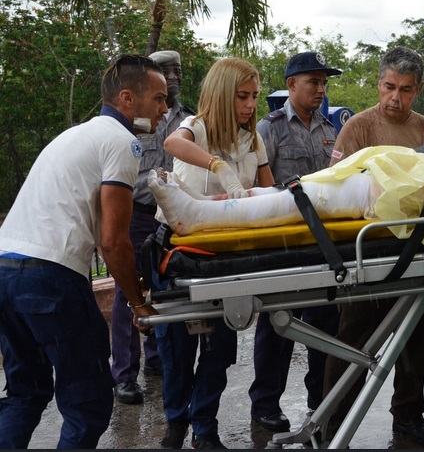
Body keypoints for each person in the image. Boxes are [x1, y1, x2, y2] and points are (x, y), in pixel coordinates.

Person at [0, 54, 166, 448]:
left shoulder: (74, 134)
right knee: (88, 399)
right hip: (49, 276)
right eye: (158, 98)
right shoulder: (122, 142)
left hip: (5, 268)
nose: (165, 108)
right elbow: (113, 240)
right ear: (127, 98)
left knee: (26, 392)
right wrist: (139, 303)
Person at [322, 45, 424, 447]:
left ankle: (408, 416)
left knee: (416, 337)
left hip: (422, 249)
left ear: (418, 89)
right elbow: (333, 190)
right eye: (389, 86)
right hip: (367, 251)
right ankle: (332, 421)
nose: (395, 97)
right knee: (351, 339)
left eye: (406, 90)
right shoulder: (358, 127)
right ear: (378, 83)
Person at [155, 57, 275, 450]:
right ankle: (175, 425)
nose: (250, 105)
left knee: (221, 349)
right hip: (178, 251)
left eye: (255, 97)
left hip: (226, 255)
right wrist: (217, 164)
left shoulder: (253, 138)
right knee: (176, 349)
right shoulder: (197, 127)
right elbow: (172, 143)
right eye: (242, 96)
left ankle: (204, 427)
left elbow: (267, 191)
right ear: (223, 94)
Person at [249, 51, 343, 432]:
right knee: (278, 324)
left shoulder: (330, 128)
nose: (321, 89)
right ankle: (266, 403)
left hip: (323, 243)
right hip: (284, 241)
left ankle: (319, 402)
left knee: (323, 325)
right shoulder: (269, 128)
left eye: (323, 83)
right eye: (313, 82)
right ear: (291, 85)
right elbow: (260, 186)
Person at [110, 50, 193, 405]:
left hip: (177, 215)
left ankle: (158, 360)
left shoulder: (190, 119)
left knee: (168, 284)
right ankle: (124, 374)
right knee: (126, 288)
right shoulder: (133, 119)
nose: (172, 78)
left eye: (176, 72)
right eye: (164, 73)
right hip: (138, 211)